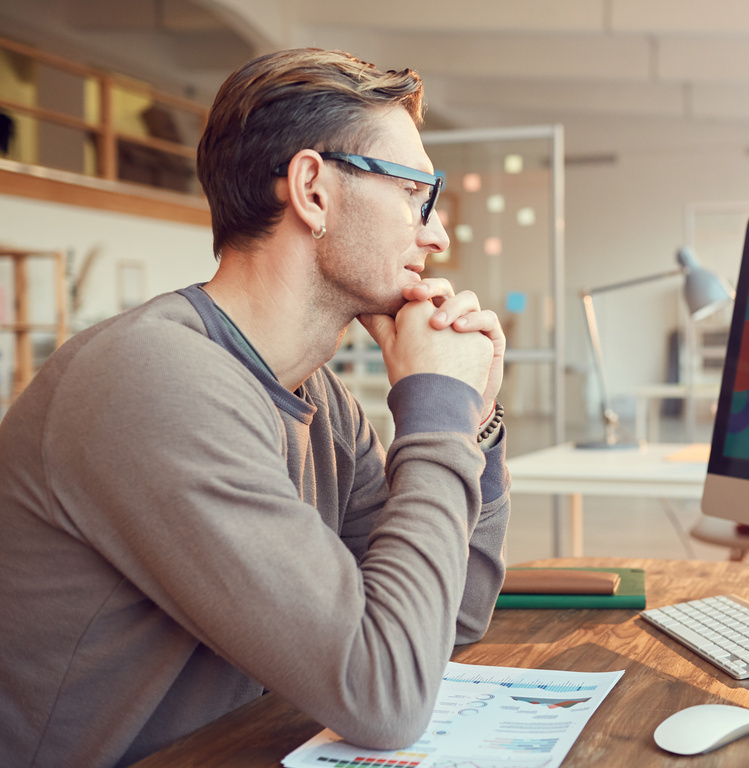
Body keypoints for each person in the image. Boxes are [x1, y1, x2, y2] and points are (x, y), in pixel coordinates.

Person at [0, 48, 510, 768]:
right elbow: (386, 696)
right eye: (415, 194)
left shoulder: (319, 398)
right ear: (312, 189)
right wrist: (434, 408)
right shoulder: (153, 380)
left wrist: (474, 423)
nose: (437, 234)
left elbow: (447, 622)